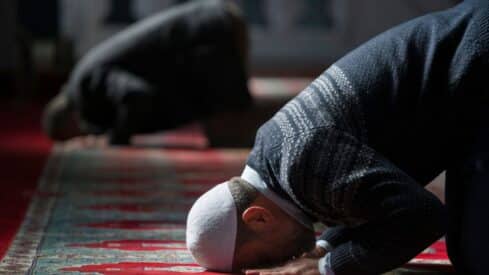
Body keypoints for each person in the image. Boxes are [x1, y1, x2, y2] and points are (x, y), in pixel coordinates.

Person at [186, 1, 489, 274]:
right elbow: (369, 203)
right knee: (466, 251)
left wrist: (326, 269)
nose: (281, 267)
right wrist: (324, 249)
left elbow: (423, 217)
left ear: (258, 219)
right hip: (467, 90)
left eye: (266, 260)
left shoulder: (304, 162)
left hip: (479, 62)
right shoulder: (276, 156)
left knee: (480, 257)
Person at [42, 0, 251, 145]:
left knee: (230, 137)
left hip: (213, 32)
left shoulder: (86, 86)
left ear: (69, 122)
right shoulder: (82, 79)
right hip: (217, 21)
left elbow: (135, 96)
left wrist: (116, 138)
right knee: (224, 134)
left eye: (72, 136)